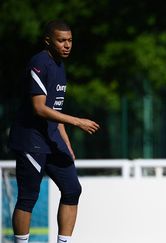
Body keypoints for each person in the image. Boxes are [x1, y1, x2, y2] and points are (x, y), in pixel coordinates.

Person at [8, 20, 100, 243]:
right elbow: (39, 108)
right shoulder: (39, 63)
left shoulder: (60, 65)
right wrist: (77, 122)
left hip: (51, 138)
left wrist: (65, 140)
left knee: (72, 189)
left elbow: (55, 108)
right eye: (61, 41)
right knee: (28, 197)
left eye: (69, 40)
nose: (67, 45)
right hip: (31, 140)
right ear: (48, 41)